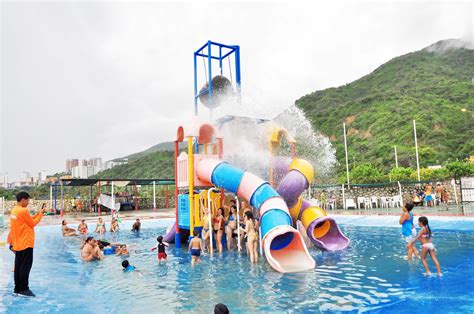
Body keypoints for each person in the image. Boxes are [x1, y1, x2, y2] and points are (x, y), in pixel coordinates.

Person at [9, 191, 45, 297]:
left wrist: (38, 213)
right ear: (23, 199)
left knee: (19, 266)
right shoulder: (23, 210)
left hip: (18, 243)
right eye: (28, 200)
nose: (28, 202)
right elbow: (32, 223)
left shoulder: (14, 210)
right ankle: (24, 289)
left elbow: (27, 221)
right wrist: (41, 214)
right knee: (25, 267)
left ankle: (17, 288)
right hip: (26, 243)